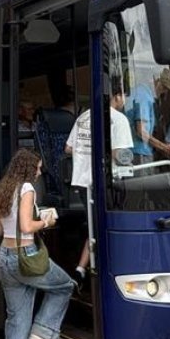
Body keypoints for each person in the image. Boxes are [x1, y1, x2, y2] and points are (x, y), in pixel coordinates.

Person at [0, 148, 75, 339]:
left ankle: (39, 333)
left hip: (4, 257)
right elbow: (26, 226)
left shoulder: (2, 189)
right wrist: (46, 222)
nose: (38, 173)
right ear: (28, 169)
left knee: (17, 319)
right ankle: (44, 331)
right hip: (26, 256)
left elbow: (0, 230)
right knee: (65, 286)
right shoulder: (26, 189)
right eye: (37, 168)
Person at [64, 82, 134, 285]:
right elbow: (119, 155)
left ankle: (81, 269)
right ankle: (106, 270)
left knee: (94, 225)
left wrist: (86, 153)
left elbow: (68, 148)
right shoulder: (119, 120)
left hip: (82, 180)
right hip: (106, 181)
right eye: (125, 97)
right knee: (107, 227)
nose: (125, 102)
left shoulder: (83, 117)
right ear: (117, 96)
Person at [126, 69, 170, 162]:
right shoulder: (143, 97)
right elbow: (141, 132)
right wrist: (164, 148)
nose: (164, 92)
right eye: (164, 87)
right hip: (138, 153)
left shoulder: (143, 93)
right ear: (154, 81)